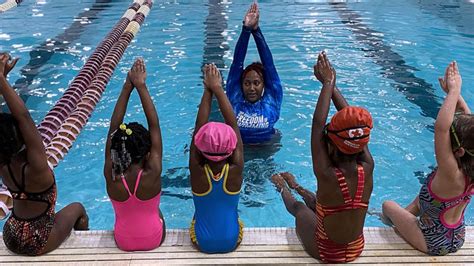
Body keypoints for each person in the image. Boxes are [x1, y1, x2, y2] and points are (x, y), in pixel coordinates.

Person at [271, 52, 374, 263]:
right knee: (318, 202)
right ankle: (297, 187)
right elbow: (356, 130)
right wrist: (331, 84)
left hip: (327, 251)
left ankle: (282, 186)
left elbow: (318, 125)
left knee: (299, 208)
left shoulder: (327, 173)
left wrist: (328, 81)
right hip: (356, 248)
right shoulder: (367, 165)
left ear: (330, 146)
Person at [0, 52, 89, 256]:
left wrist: (2, 81)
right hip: (38, 240)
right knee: (78, 208)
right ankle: (83, 254)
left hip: (11, 236)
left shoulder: (3, 165)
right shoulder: (37, 166)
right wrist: (1, 80)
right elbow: (23, 117)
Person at [381, 61, 473, 256]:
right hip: (456, 237)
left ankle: (391, 221)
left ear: (459, 151)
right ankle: (401, 220)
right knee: (419, 201)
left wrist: (453, 91)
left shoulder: (450, 172)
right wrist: (455, 95)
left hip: (433, 242)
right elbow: (468, 124)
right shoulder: (469, 170)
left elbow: (441, 128)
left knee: (387, 205)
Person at [104, 58, 165, 251]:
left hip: (123, 241)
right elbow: (154, 125)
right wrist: (141, 86)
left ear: (116, 150)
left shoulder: (111, 173)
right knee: (156, 211)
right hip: (153, 239)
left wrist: (126, 88)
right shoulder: (152, 172)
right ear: (148, 153)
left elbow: (113, 128)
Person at [189, 63, 244, 253]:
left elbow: (199, 125)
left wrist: (207, 91)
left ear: (199, 148)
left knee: (199, 212)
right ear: (232, 148)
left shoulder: (197, 170)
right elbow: (233, 125)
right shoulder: (236, 169)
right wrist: (218, 89)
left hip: (203, 242)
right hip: (231, 241)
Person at [226, 2, 283, 144]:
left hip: (267, 150)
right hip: (240, 153)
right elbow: (237, 64)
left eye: (256, 83)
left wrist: (256, 31)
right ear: (241, 85)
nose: (251, 88)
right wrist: (246, 30)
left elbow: (269, 66)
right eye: (247, 83)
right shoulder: (235, 99)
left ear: (264, 84)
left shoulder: (271, 101)